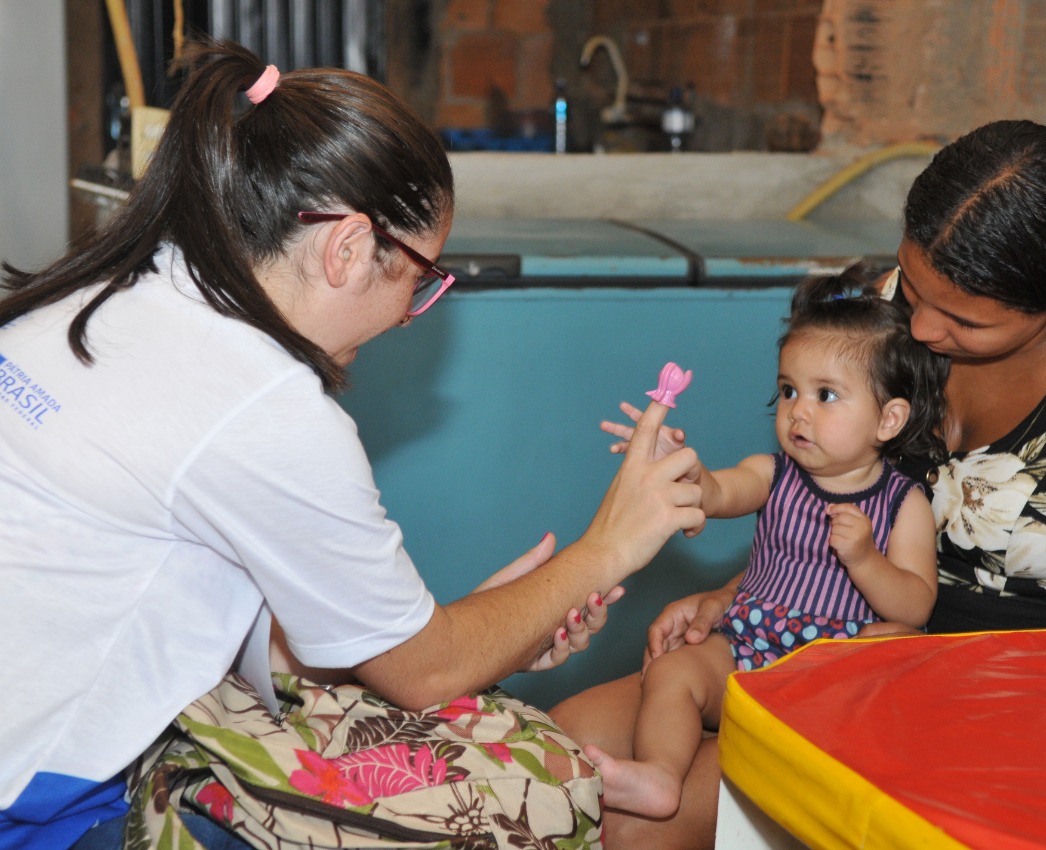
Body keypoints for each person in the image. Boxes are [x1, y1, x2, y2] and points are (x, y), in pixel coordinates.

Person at [0, 40, 704, 850]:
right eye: (420, 278)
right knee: (523, 805)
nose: (413, 314)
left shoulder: (125, 290)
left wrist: (490, 624)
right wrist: (607, 548)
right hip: (39, 804)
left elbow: (211, 620)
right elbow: (424, 672)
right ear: (346, 249)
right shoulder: (263, 401)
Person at [549, 119, 1046, 849]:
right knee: (568, 745)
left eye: (962, 317)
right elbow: (832, 493)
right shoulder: (895, 319)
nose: (923, 327)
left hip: (1005, 712)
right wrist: (737, 596)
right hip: (835, 644)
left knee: (633, 816)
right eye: (914, 287)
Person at [582, 268, 949, 819]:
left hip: (832, 668)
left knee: (896, 639)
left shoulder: (903, 504)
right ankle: (660, 776)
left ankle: (823, 748)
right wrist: (679, 467)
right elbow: (719, 490)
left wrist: (866, 560)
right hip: (749, 644)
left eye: (826, 395)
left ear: (889, 419)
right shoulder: (772, 473)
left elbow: (917, 605)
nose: (798, 410)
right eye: (788, 390)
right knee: (673, 671)